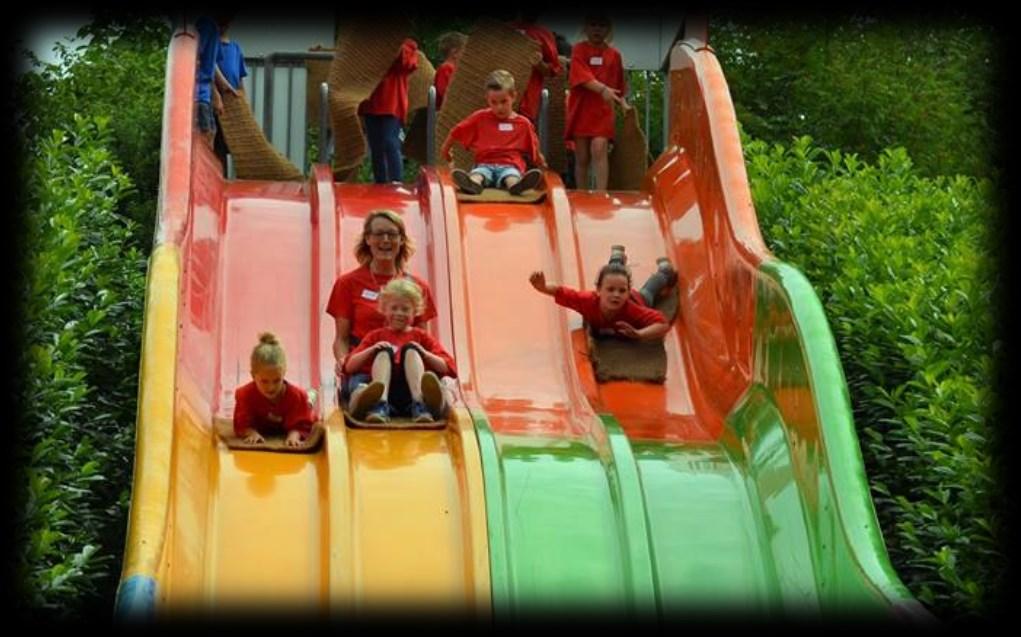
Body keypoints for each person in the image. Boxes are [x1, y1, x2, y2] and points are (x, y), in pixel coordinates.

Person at [327, 209, 438, 386]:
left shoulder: (418, 287)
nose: (385, 240)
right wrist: (343, 360)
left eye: (392, 234)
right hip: (365, 367)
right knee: (360, 385)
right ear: (368, 239)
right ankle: (368, 397)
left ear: (401, 240)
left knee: (431, 384)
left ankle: (423, 398)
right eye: (378, 234)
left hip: (405, 369)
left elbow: (423, 338)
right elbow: (342, 338)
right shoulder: (348, 283)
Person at [344, 279, 457, 423]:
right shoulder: (376, 336)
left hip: (410, 392)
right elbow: (349, 366)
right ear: (384, 309)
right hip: (386, 389)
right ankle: (377, 404)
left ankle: (422, 404)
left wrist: (424, 354)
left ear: (415, 312)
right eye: (394, 308)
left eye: (405, 309)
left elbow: (449, 367)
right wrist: (372, 350)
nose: (399, 313)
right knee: (382, 354)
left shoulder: (420, 336)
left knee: (412, 351)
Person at [528, 245, 677, 341]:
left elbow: (662, 324)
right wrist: (544, 287)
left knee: (648, 290)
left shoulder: (633, 310)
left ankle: (665, 272)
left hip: (640, 298)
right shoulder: (587, 301)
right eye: (610, 290)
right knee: (612, 274)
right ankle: (617, 257)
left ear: (627, 291)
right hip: (611, 283)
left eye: (622, 291)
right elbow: (560, 291)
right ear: (598, 290)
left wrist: (640, 334)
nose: (617, 295)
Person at [440, 69, 546, 196]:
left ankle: (516, 186)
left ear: (513, 97)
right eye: (493, 103)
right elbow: (457, 131)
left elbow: (534, 146)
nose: (499, 107)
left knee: (511, 176)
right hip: (485, 163)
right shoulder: (480, 117)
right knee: (478, 174)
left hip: (510, 164)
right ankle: (472, 185)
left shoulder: (523, 123)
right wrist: (445, 150)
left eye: (503, 102)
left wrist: (542, 164)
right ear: (487, 99)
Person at [565, 13, 628, 191]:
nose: (597, 29)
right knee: (582, 156)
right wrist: (602, 89)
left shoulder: (615, 55)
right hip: (581, 109)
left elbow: (618, 87)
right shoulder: (578, 49)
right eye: (593, 24)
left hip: (602, 111)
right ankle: (582, 194)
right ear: (586, 28)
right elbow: (580, 76)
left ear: (608, 29)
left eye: (601, 25)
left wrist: (623, 104)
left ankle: (601, 194)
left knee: (599, 148)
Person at [233, 332, 316, 447]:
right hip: (265, 424)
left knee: (308, 403)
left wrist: (294, 435)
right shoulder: (245, 395)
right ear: (253, 375)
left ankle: (311, 395)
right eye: (264, 381)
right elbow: (241, 424)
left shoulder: (297, 397)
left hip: (301, 404)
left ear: (284, 373)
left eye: (277, 380)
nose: (271, 387)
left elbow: (302, 424)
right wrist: (251, 433)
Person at [360, 37, 419, 184]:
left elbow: (407, 65)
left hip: (392, 104)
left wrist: (393, 42)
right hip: (370, 102)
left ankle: (395, 181)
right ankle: (380, 182)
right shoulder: (369, 44)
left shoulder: (407, 45)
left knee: (390, 142)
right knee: (376, 146)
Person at [194, 15, 239, 150]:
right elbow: (198, 60)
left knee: (211, 134)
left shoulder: (214, 30)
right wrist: (216, 94)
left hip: (206, 95)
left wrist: (226, 86)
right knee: (205, 137)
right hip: (199, 94)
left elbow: (212, 64)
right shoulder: (206, 26)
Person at [509, 13, 562, 125]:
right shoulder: (503, 29)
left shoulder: (543, 34)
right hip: (498, 100)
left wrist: (539, 64)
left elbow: (553, 70)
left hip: (527, 102)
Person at [212, 16, 247, 174]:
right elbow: (210, 70)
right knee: (218, 142)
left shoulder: (235, 48)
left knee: (233, 142)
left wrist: (243, 101)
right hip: (218, 100)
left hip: (232, 101)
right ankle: (220, 174)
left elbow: (239, 78)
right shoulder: (212, 46)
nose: (223, 26)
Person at [434, 31, 467, 110]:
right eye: (464, 50)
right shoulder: (446, 68)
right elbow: (444, 92)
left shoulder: (452, 68)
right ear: (455, 52)